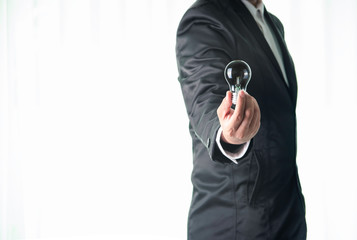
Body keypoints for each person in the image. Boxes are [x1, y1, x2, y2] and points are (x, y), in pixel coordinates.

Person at [175, 0, 307, 239]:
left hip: (286, 217)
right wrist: (228, 136)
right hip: (236, 225)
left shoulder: (270, 23)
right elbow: (204, 95)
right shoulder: (204, 19)